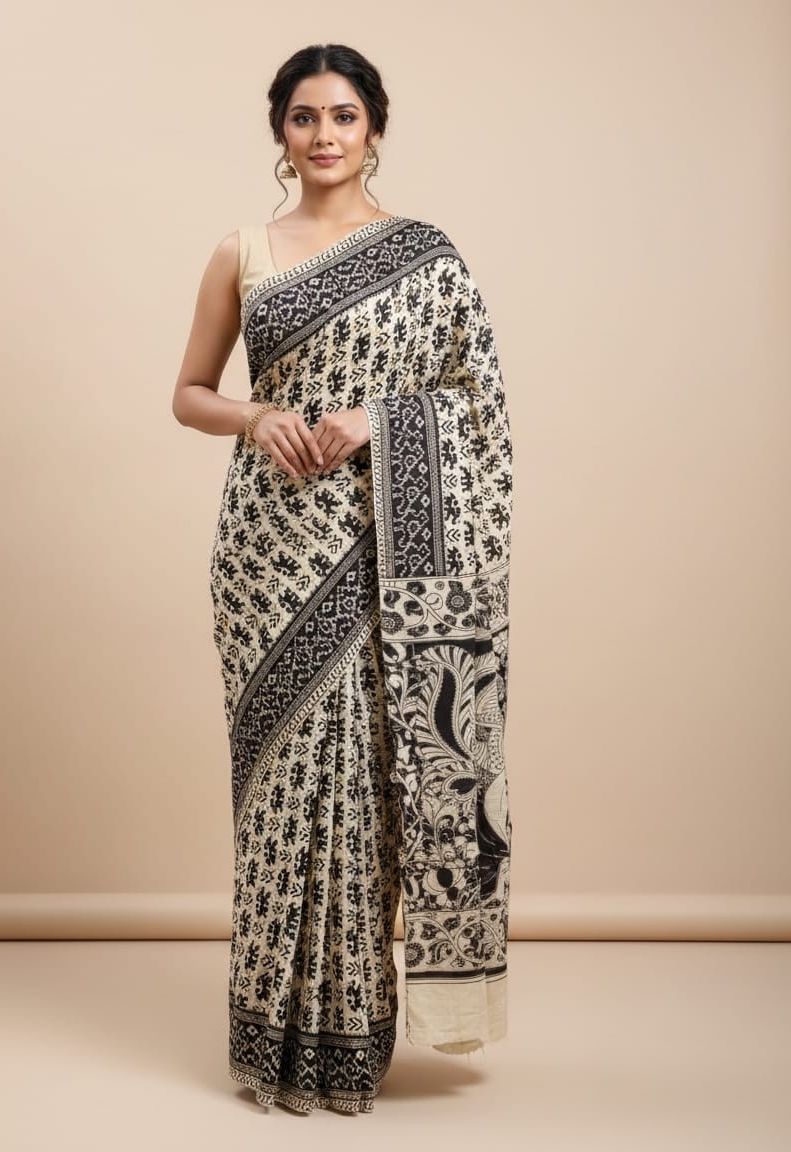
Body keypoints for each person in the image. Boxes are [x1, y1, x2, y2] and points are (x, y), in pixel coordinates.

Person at [172, 42, 514, 1116]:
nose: (324, 135)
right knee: (283, 786)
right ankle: (275, 1037)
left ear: (374, 129)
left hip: (389, 552)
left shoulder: (427, 256)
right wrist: (255, 415)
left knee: (369, 779)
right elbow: (188, 392)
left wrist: (381, 418)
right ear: (280, 132)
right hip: (269, 549)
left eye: (344, 116)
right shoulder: (242, 251)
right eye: (304, 117)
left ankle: (351, 1040)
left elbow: (478, 403)